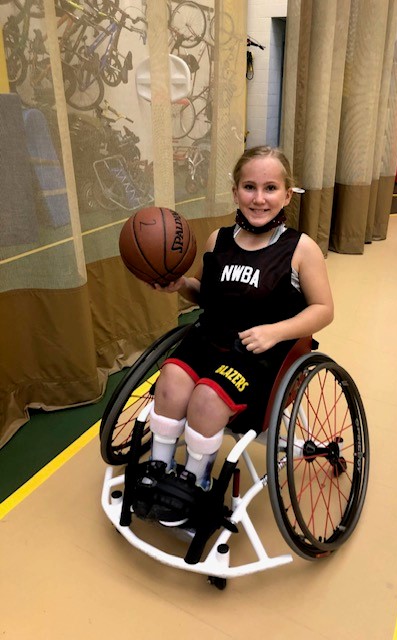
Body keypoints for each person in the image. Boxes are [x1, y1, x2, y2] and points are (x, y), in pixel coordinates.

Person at [135, 145, 334, 526]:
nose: (259, 198)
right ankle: (159, 470)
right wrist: (180, 284)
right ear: (235, 192)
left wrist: (277, 331)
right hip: (211, 338)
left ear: (287, 194)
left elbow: (323, 310)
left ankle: (196, 481)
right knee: (171, 383)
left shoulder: (300, 249)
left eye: (271, 188)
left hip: (259, 353)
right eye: (249, 187)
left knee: (208, 400)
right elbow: (206, 296)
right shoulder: (217, 240)